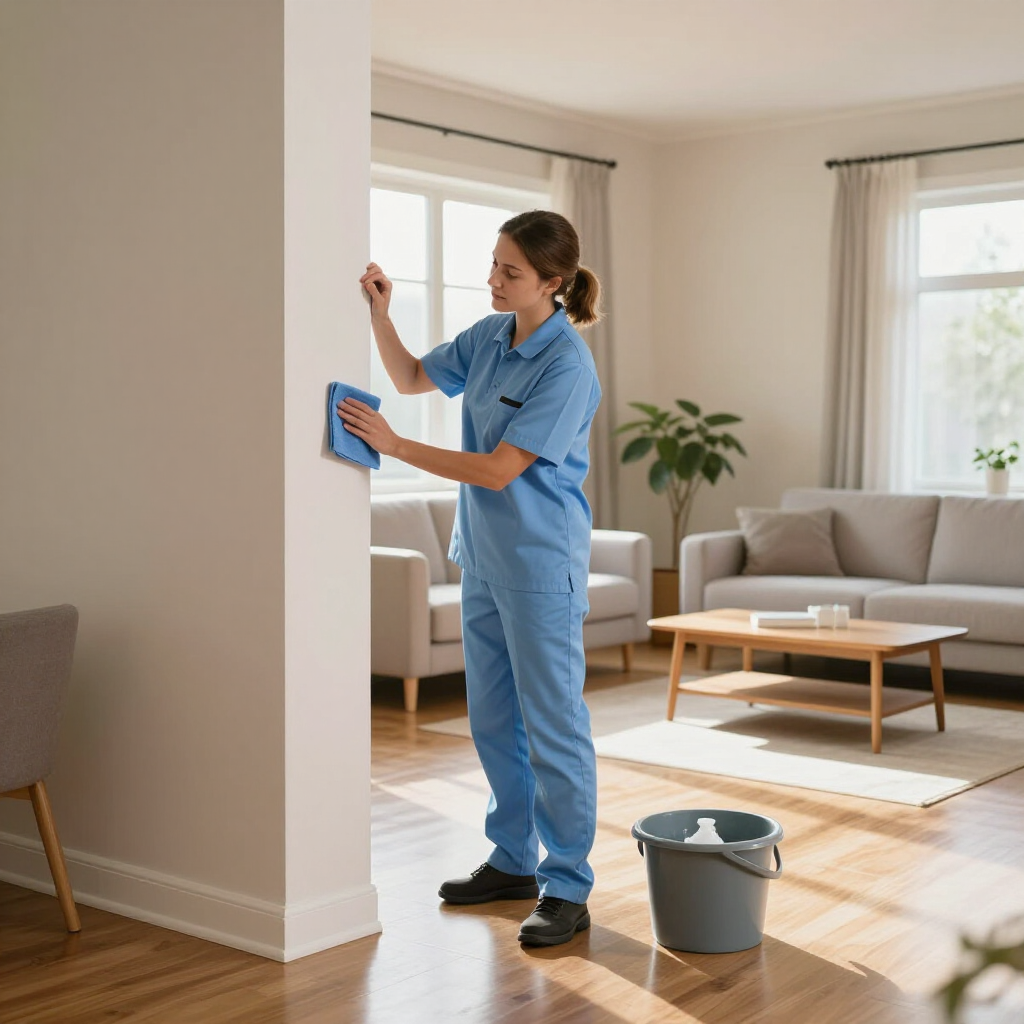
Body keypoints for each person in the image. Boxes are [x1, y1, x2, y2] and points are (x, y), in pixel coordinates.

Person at [339, 210, 602, 948]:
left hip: (541, 566)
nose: (493, 280)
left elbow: (497, 469)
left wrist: (394, 445)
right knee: (492, 721)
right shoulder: (488, 336)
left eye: (510, 271)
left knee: (553, 727)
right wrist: (381, 315)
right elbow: (413, 376)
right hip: (482, 560)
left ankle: (567, 884)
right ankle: (514, 860)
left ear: (553, 283)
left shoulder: (566, 366)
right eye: (493, 264)